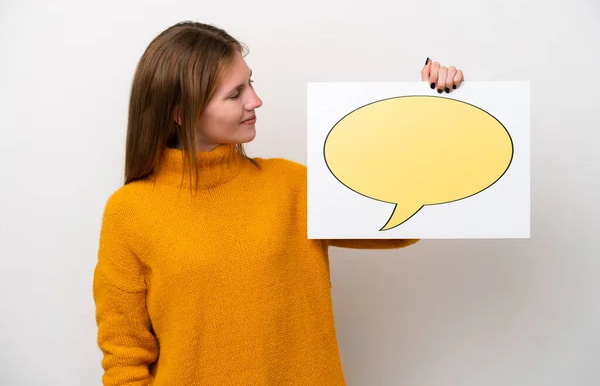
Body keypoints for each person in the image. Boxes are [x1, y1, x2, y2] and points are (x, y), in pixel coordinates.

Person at [92, 20, 464, 386]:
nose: (256, 100)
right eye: (235, 93)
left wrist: (432, 111)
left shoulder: (290, 186)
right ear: (180, 112)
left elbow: (400, 226)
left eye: (250, 83)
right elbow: (124, 358)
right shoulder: (130, 212)